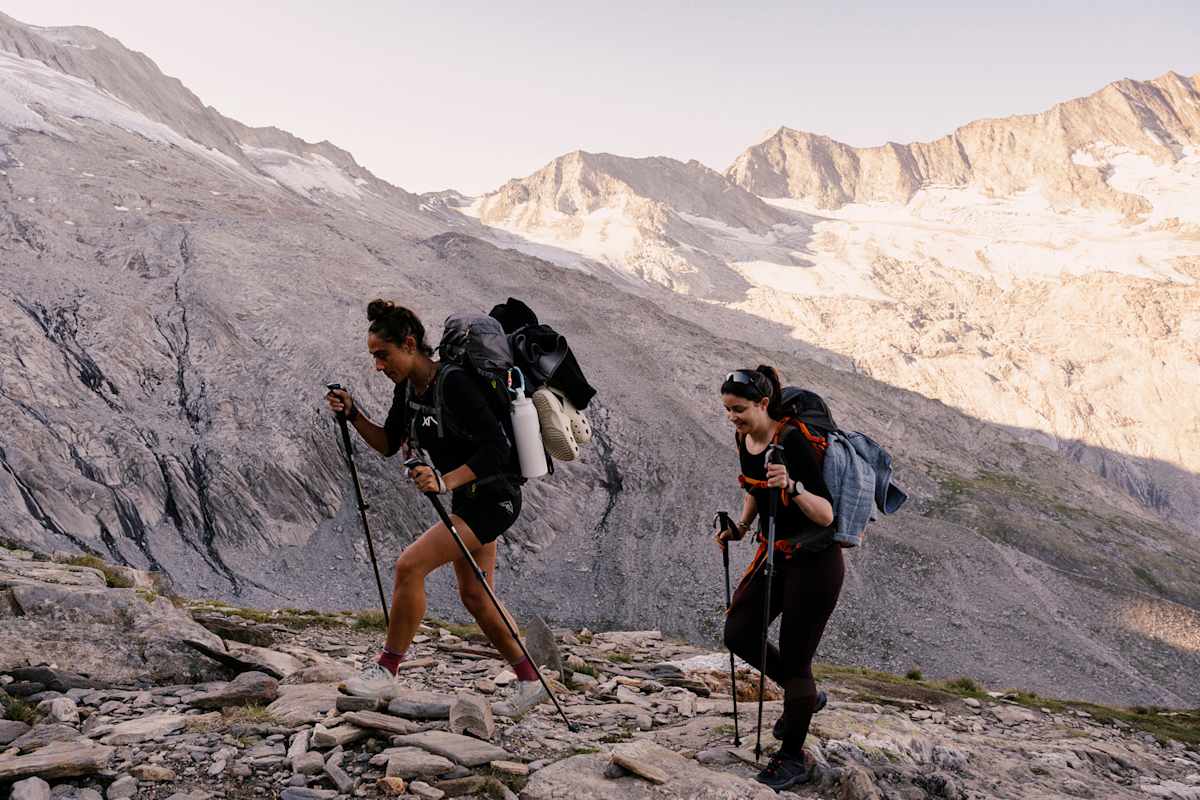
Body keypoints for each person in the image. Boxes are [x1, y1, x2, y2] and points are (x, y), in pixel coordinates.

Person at [325, 299, 546, 719]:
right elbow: (389, 444)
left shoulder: (456, 382)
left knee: (410, 566)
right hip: (470, 499)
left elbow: (496, 451)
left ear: (409, 344)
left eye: (382, 354)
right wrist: (353, 413)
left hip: (496, 497)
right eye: (373, 356)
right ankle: (530, 682)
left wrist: (444, 481)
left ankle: (385, 672)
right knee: (476, 596)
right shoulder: (406, 389)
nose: (378, 365)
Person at [716, 366, 843, 791]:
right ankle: (803, 696)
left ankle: (792, 757)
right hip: (774, 556)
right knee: (738, 632)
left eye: (739, 409)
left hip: (815, 561)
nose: (732, 417)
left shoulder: (791, 441)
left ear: (763, 404)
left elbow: (827, 515)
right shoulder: (745, 438)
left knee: (797, 656)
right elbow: (754, 484)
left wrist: (793, 487)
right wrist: (740, 525)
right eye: (728, 410)